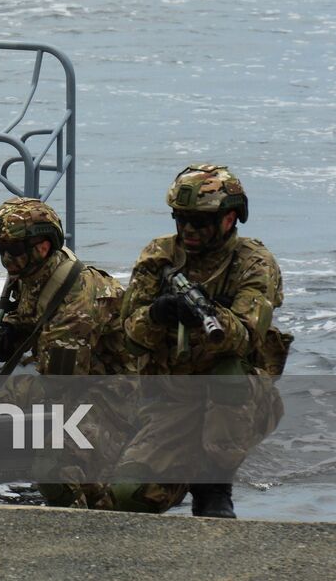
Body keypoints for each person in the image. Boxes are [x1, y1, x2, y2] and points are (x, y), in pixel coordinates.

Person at [109, 164, 290, 518]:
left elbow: (245, 337)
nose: (189, 229)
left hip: (238, 398)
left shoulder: (253, 263)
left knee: (229, 374)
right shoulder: (159, 257)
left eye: (200, 221)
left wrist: (209, 314)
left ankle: (215, 485)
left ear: (230, 218)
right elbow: (128, 337)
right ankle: (188, 468)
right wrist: (158, 314)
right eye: (182, 219)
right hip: (173, 399)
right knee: (128, 495)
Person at [0, 197, 132, 508]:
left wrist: (2, 398)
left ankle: (83, 520)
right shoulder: (32, 276)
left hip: (118, 393)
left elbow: (60, 382)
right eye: (1, 249)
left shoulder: (76, 298)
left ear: (42, 246)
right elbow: (29, 319)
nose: (7, 258)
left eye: (14, 248)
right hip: (87, 384)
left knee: (54, 469)